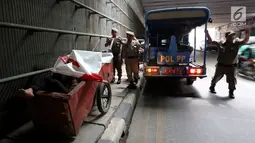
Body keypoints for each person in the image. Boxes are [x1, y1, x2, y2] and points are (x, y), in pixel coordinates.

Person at [205, 28, 251, 99]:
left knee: (232, 80)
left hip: (231, 67)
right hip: (221, 66)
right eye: (231, 36)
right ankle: (212, 87)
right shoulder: (221, 44)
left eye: (233, 36)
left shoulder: (236, 44)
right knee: (216, 78)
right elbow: (211, 42)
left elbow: (245, 41)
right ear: (226, 37)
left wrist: (247, 33)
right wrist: (207, 33)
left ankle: (231, 92)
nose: (233, 37)